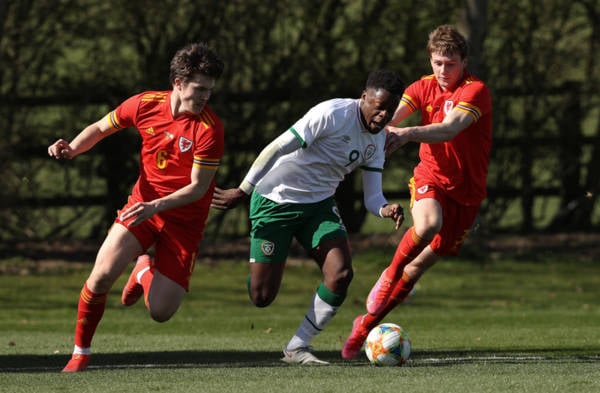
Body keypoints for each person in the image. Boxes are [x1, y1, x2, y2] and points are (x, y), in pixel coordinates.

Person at [47, 42, 225, 372]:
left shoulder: (209, 129)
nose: (204, 97)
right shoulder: (145, 104)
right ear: (178, 83)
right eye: (199, 89)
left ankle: (143, 269)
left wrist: (155, 206)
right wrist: (71, 148)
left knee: (160, 312)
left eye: (210, 91)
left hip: (183, 222)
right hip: (141, 208)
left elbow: (198, 188)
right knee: (99, 277)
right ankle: (80, 352)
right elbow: (101, 128)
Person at [211, 70, 405, 365]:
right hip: (274, 200)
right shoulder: (332, 113)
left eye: (390, 110)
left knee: (341, 275)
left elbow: (373, 197)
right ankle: (258, 268)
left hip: (318, 206)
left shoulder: (378, 140)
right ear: (363, 97)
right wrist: (243, 189)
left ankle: (297, 347)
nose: (383, 116)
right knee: (262, 297)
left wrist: (385, 209)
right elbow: (276, 147)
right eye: (378, 107)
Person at [341, 25, 492, 359]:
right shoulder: (421, 87)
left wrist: (407, 133)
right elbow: (388, 119)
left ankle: (364, 327)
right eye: (437, 62)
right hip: (431, 177)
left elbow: (451, 129)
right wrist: (378, 135)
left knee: (418, 266)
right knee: (426, 225)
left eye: (450, 64)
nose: (442, 71)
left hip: (467, 194)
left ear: (463, 62)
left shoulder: (475, 91)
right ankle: (388, 273)